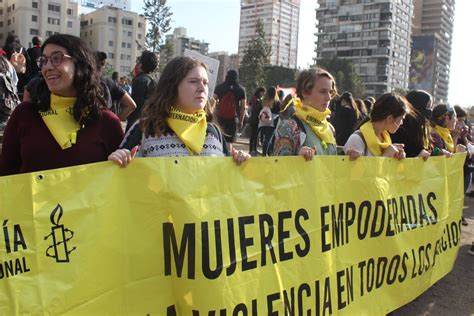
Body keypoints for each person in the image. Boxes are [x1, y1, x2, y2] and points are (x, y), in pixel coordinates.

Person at [0, 34, 124, 175]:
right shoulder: (24, 114)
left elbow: (118, 182)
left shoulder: (107, 122)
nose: (47, 67)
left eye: (56, 58)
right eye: (44, 60)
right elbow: (6, 174)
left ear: (80, 64)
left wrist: (120, 162)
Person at [108, 56, 249, 166]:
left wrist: (239, 161)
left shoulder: (213, 132)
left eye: (205, 83)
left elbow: (226, 179)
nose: (202, 88)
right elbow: (116, 175)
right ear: (173, 86)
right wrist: (118, 159)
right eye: (194, 81)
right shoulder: (145, 128)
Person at [273, 68, 338, 160]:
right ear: (305, 92)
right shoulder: (289, 126)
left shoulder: (329, 128)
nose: (328, 97)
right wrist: (298, 157)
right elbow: (278, 165)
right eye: (323, 91)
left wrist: (349, 154)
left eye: (330, 92)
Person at [344, 93, 409, 160]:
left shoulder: (385, 139)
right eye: (401, 119)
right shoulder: (357, 140)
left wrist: (396, 159)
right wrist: (386, 156)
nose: (401, 123)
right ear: (389, 118)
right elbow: (354, 170)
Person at [391, 90, 433, 159]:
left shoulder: (422, 129)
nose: (430, 110)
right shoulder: (399, 129)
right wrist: (417, 157)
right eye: (428, 106)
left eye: (431, 107)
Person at [95, 51, 136, 121]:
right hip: (106, 127)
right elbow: (131, 105)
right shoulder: (109, 83)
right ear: (103, 65)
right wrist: (116, 121)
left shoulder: (80, 82)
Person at [126, 50, 158, 131]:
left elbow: (137, 106)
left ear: (141, 64)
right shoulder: (155, 80)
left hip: (137, 124)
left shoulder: (140, 80)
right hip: (150, 123)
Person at [213, 70, 246, 143]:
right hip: (233, 119)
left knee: (219, 139)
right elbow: (243, 107)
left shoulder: (219, 87)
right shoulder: (241, 90)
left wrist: (214, 116)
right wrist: (241, 121)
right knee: (229, 142)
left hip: (220, 117)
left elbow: (212, 102)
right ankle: (228, 152)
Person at [258, 87, 280, 156]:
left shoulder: (264, 100)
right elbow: (279, 112)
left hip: (264, 122)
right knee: (269, 138)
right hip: (273, 122)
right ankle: (267, 153)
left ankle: (265, 152)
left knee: (266, 139)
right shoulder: (277, 102)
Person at [248, 86, 265, 155]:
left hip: (255, 119)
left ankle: (254, 149)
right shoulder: (255, 99)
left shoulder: (256, 98)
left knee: (255, 135)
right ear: (259, 92)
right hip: (254, 119)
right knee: (253, 135)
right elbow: (254, 108)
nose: (263, 94)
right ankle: (252, 149)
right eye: (262, 92)